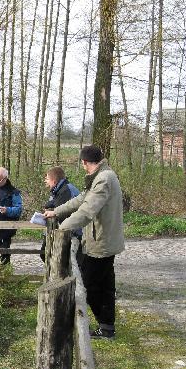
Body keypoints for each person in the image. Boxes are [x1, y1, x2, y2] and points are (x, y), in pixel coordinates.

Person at [43, 145, 124, 339]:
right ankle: (106, 327)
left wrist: (63, 228)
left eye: (83, 163)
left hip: (100, 243)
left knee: (88, 285)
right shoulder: (102, 176)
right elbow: (81, 199)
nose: (83, 166)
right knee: (104, 286)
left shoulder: (103, 179)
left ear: (85, 162)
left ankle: (99, 327)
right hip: (102, 240)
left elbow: (87, 210)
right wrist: (57, 211)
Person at [40, 166, 81, 263]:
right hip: (66, 231)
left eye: (47, 179)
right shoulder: (59, 189)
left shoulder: (65, 190)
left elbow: (61, 213)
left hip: (72, 233)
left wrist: (50, 212)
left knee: (64, 262)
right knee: (46, 255)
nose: (46, 182)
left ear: (54, 181)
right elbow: (53, 204)